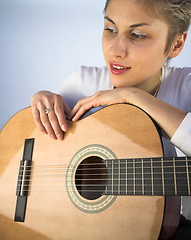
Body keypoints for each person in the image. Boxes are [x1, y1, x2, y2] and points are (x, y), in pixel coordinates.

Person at [31, 0, 191, 238]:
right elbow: (42, 160)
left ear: (176, 44)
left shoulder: (187, 86)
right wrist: (40, 106)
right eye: (111, 29)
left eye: (137, 34)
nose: (116, 50)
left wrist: (132, 96)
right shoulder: (82, 83)